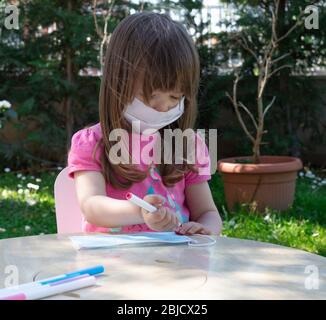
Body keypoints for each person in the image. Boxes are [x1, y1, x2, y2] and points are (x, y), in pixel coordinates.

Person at [67, 12, 222, 236]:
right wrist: (138, 211)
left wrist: (205, 229)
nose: (163, 107)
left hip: (175, 264)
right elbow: (92, 207)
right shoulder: (93, 143)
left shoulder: (186, 146)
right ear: (118, 84)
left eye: (175, 97)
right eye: (152, 96)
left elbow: (208, 212)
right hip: (112, 264)